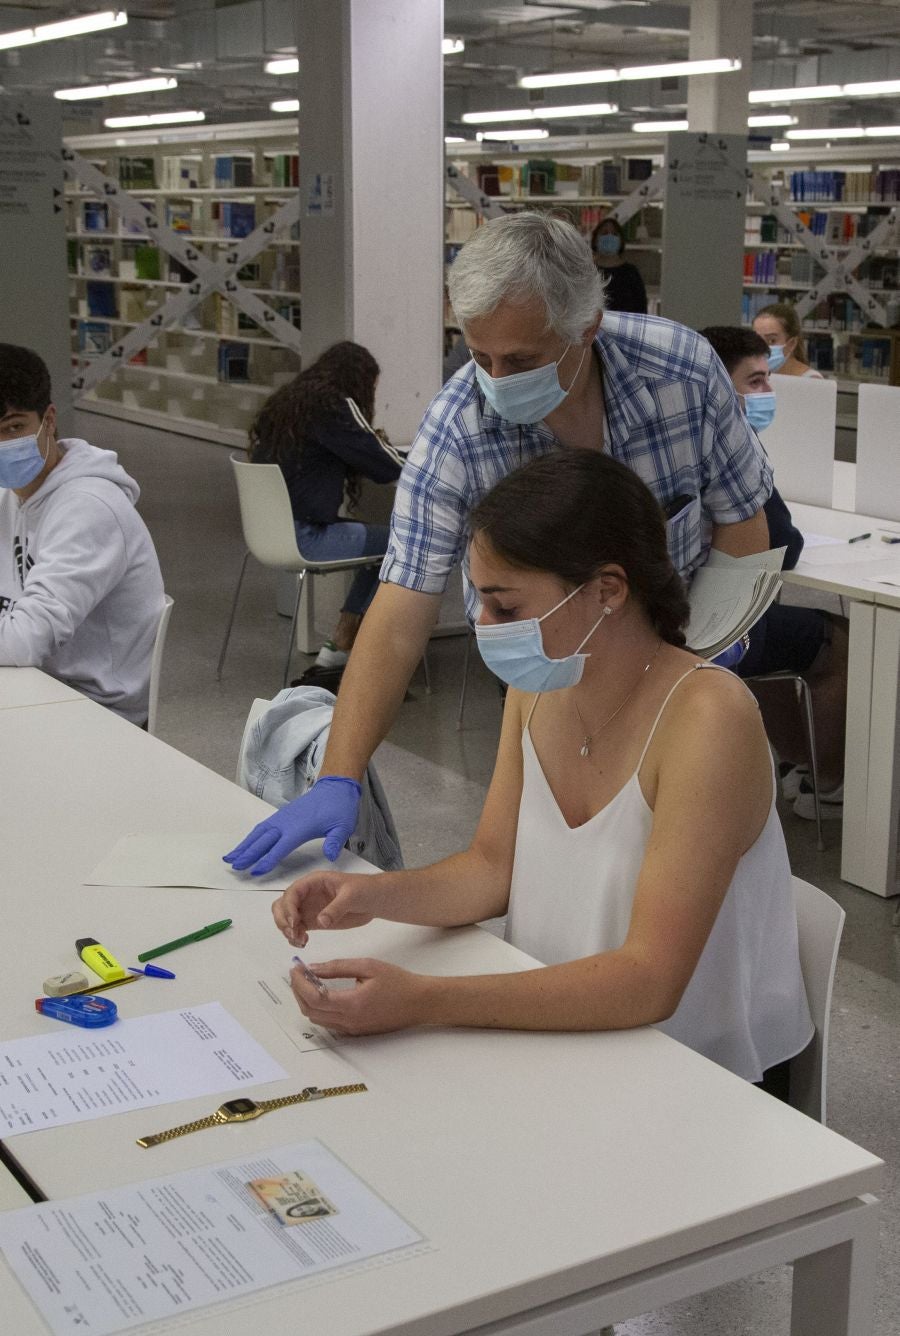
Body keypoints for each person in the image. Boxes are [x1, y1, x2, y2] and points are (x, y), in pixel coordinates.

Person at [225, 211, 774, 877]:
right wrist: (339, 775)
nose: (497, 379)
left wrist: (718, 640)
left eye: (521, 360)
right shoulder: (460, 427)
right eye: (478, 355)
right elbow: (401, 611)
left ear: (587, 327)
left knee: (679, 871)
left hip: (681, 660)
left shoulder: (681, 372)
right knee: (561, 867)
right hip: (544, 679)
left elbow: (741, 518)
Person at [272, 452, 813, 1097]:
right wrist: (371, 896)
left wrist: (424, 999)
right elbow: (494, 868)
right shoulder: (541, 688)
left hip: (697, 1072)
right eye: (479, 602)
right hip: (568, 1030)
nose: (482, 626)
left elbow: (650, 981)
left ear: (609, 591)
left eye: (504, 606)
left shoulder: (707, 718)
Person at [701, 326, 847, 819]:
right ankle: (826, 785)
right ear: (722, 388)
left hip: (696, 617)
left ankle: (792, 763)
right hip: (716, 626)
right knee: (836, 641)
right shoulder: (735, 447)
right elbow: (786, 545)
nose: (768, 393)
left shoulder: (686, 436)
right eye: (757, 382)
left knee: (768, 616)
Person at [0, 344, 164, 725]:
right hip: (37, 682)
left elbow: (27, 639)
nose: (3, 445)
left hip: (97, 711)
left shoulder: (89, 507)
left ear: (49, 420)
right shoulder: (11, 496)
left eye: (13, 428)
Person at [248, 341, 403, 677]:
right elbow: (385, 464)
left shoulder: (287, 404)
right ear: (359, 381)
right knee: (401, 542)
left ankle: (345, 640)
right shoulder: (335, 406)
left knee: (383, 541)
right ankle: (345, 639)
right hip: (307, 537)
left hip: (271, 534)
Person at [589, 216, 648, 314]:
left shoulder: (631, 273)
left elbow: (641, 310)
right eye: (604, 233)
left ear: (621, 241)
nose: (609, 236)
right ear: (595, 240)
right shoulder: (587, 271)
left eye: (614, 234)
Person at [752, 302, 824, 379]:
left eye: (772, 341)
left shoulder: (811, 380)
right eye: (757, 340)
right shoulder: (754, 376)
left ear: (791, 344)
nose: (762, 347)